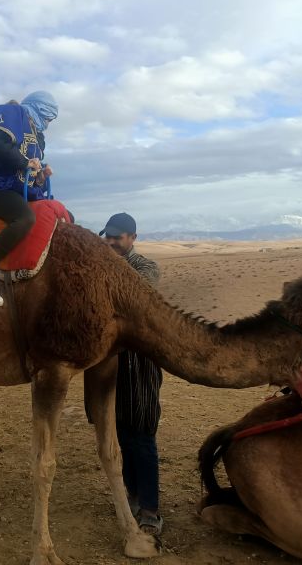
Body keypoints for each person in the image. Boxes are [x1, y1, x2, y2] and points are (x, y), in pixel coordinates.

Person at [100, 212, 164, 535]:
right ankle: (132, 497)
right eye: (107, 237)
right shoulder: (103, 269)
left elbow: (132, 302)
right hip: (112, 361)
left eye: (117, 237)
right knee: (121, 432)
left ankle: (151, 509)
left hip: (141, 361)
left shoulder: (146, 268)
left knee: (142, 433)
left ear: (132, 238)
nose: (110, 242)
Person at [0, 91, 58, 305]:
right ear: (40, 108)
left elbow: (27, 177)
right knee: (24, 218)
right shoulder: (9, 113)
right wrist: (25, 162)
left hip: (13, 188)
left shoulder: (36, 136)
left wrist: (40, 177)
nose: (48, 124)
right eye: (48, 118)